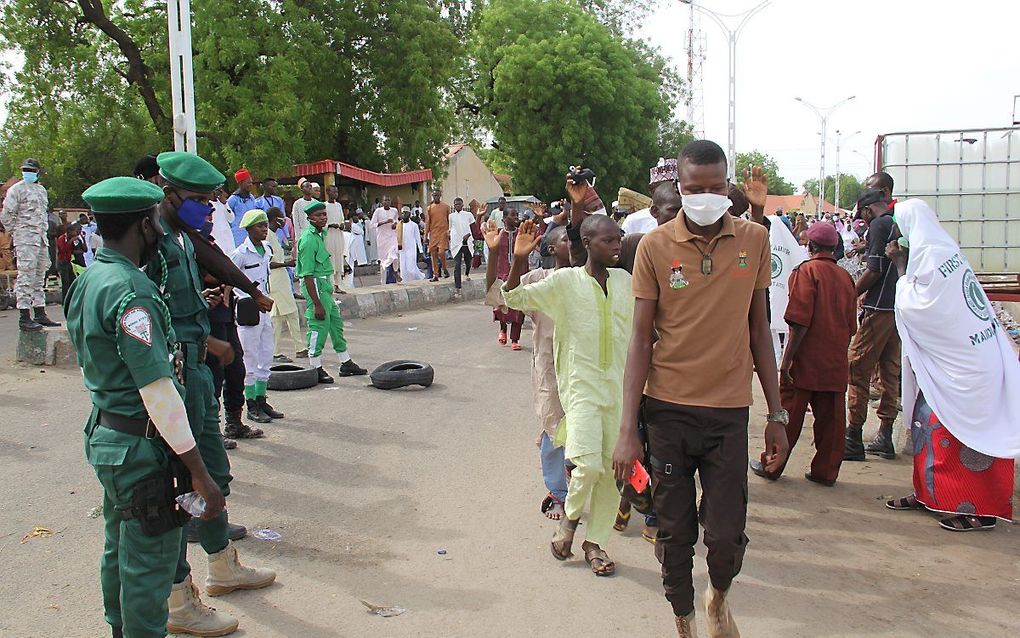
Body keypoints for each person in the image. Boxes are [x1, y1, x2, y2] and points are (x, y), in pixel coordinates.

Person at [613, 140, 789, 637]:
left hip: (730, 412)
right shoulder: (653, 246)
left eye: (715, 188)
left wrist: (776, 416)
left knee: (727, 534)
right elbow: (640, 341)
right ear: (679, 188)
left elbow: (760, 331)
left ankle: (719, 596)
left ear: (728, 187)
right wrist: (629, 429)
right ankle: (685, 619)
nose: (705, 196)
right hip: (667, 411)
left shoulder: (754, 240)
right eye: (694, 189)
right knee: (674, 532)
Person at [65, 176, 226, 638]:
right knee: (148, 569)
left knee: (119, 550)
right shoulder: (131, 292)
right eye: (156, 219)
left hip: (109, 437)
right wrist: (198, 472)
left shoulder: (90, 278)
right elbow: (157, 390)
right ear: (144, 224)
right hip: (140, 448)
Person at [150, 152, 276, 636]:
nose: (209, 208)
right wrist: (207, 339)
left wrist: (245, 291)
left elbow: (214, 261)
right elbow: (149, 314)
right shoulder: (153, 242)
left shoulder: (182, 237)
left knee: (213, 472)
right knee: (180, 484)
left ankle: (222, 566)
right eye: (200, 200)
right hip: (175, 370)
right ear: (170, 195)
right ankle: (178, 598)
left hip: (196, 370)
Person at [503, 212, 633, 577]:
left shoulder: (626, 282)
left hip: (618, 391)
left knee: (610, 473)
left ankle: (593, 541)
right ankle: (571, 522)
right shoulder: (565, 282)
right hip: (580, 390)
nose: (616, 245)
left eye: (618, 238)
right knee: (588, 465)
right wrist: (517, 259)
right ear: (588, 244)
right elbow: (512, 297)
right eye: (608, 240)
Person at [885, 200, 1020, 532]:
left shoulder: (935, 257)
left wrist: (900, 271)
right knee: (926, 424)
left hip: (967, 371)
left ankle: (982, 511)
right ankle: (930, 495)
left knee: (970, 438)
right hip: (953, 367)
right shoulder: (940, 252)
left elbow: (919, 307)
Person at [750, 222, 857, 486]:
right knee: (832, 420)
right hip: (834, 361)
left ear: (810, 247)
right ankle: (826, 472)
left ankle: (772, 464)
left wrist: (786, 362)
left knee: (788, 414)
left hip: (806, 358)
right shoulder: (845, 278)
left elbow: (799, 321)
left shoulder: (807, 272)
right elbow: (851, 326)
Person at [844, 187, 902, 462]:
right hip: (898, 306)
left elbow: (874, 270)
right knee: (889, 371)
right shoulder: (898, 221)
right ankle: (885, 434)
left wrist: (849, 294)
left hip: (878, 307)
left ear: (868, 211)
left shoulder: (879, 225)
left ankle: (853, 436)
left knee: (858, 366)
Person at [296, 200, 368, 383]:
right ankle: (315, 366)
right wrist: (317, 304)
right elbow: (307, 275)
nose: (323, 218)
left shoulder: (321, 234)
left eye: (324, 214)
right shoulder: (308, 240)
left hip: (325, 285)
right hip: (316, 287)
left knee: (336, 325)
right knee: (318, 326)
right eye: (318, 215)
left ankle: (345, 362)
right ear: (310, 218)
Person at [230, 209, 285, 424]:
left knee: (266, 354)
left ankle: (262, 400)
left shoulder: (267, 250)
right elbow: (230, 278)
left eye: (265, 225)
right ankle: (251, 404)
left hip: (264, 309)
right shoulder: (240, 253)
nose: (265, 229)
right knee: (249, 357)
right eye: (260, 226)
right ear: (249, 229)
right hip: (248, 310)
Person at [1, 158, 60, 331]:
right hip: (25, 238)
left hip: (40, 238)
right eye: (26, 170)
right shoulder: (16, 190)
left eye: (32, 170)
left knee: (39, 275)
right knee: (26, 276)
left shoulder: (41, 190)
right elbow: (6, 215)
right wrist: (16, 232)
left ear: (38, 172)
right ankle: (24, 316)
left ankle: (40, 312)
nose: (28, 173)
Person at [266, 208, 303, 362]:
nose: (284, 221)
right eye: (282, 218)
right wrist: (286, 263)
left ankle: (300, 348)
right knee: (277, 318)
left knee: (292, 314)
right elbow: (267, 263)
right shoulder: (267, 236)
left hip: (282, 280)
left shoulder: (275, 235)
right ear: (275, 219)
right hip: (275, 280)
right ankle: (274, 352)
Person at [487, 208, 526, 350]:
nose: (516, 217)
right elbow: (479, 235)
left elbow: (540, 237)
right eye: (513, 215)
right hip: (501, 274)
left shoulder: (521, 234)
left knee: (519, 307)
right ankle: (503, 329)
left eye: (517, 215)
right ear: (504, 218)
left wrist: (540, 218)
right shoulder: (498, 234)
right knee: (501, 306)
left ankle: (515, 339)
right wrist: (479, 217)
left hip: (519, 274)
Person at [370, 196, 401, 284]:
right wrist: (385, 222)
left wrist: (394, 224)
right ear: (382, 202)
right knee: (383, 260)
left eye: (388, 200)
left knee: (395, 254)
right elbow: (372, 225)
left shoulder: (394, 210)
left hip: (392, 236)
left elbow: (396, 221)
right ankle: (383, 282)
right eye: (385, 200)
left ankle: (396, 271)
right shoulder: (378, 211)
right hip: (382, 238)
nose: (387, 202)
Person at [448, 197, 474, 295]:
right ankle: (457, 287)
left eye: (459, 204)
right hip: (456, 242)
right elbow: (450, 228)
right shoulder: (451, 216)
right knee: (457, 265)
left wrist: (469, 234)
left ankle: (467, 273)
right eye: (456, 204)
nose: (457, 206)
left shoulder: (469, 215)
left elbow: (473, 227)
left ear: (462, 205)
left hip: (467, 241)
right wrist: (450, 235)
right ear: (454, 205)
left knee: (468, 260)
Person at [325, 185, 348, 293]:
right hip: (329, 235)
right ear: (328, 192)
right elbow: (322, 222)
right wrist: (329, 225)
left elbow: (342, 219)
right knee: (331, 259)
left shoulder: (338, 205)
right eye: (333, 192)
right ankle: (330, 285)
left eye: (337, 192)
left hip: (338, 235)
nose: (336, 194)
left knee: (338, 258)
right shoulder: (324, 205)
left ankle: (337, 285)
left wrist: (342, 224)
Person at [425, 189, 452, 281]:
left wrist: (450, 231)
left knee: (441, 252)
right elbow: (427, 222)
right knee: (433, 254)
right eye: (434, 195)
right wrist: (425, 235)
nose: (436, 197)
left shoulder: (446, 207)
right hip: (433, 234)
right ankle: (435, 274)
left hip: (443, 233)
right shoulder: (429, 208)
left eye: (437, 195)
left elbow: (450, 220)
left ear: (440, 195)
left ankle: (444, 268)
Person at [225, 169, 257, 246]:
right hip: (238, 236)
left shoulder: (251, 198)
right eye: (248, 183)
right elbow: (227, 218)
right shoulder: (233, 199)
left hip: (251, 234)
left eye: (251, 183)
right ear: (240, 183)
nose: (250, 185)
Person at [397, 207, 427, 281]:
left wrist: (421, 251)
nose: (404, 214)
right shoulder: (399, 225)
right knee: (403, 267)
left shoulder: (414, 225)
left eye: (405, 213)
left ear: (409, 214)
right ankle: (405, 281)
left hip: (411, 249)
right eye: (402, 213)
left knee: (411, 268)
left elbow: (418, 239)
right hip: (402, 249)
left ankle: (413, 281)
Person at [56, 221, 80, 302]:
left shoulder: (72, 239)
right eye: (74, 231)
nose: (75, 233)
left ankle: (73, 298)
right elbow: (63, 249)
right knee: (65, 283)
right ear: (69, 231)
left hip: (68, 261)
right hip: (62, 262)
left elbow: (74, 250)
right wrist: (71, 241)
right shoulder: (62, 238)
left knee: (73, 280)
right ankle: (65, 300)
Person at [209, 187, 236, 255]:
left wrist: (225, 204)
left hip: (228, 239)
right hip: (216, 238)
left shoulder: (222, 203)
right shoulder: (207, 204)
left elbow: (231, 219)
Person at [290, 178, 315, 247]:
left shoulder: (315, 203)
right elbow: (296, 222)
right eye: (307, 187)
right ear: (302, 190)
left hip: (315, 234)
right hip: (302, 234)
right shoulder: (297, 203)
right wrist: (298, 237)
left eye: (310, 186)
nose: (310, 188)